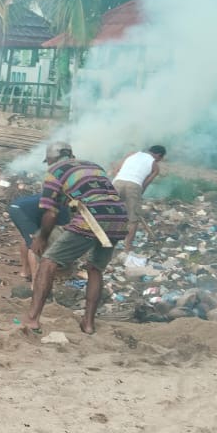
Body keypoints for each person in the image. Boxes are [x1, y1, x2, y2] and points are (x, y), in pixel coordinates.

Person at [23, 141, 128, 337]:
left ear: (52, 158)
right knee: (95, 268)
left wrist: (42, 238)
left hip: (93, 217)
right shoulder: (94, 166)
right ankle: (88, 324)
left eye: (48, 161)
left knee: (48, 261)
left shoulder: (55, 171)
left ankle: (32, 319)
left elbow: (51, 211)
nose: (48, 164)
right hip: (118, 217)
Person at [111, 145, 166, 251]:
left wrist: (120, 182)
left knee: (110, 213)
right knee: (133, 220)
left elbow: (116, 170)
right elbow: (144, 184)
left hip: (117, 183)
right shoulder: (155, 166)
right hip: (134, 186)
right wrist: (137, 197)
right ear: (159, 155)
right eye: (161, 159)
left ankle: (103, 240)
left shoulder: (132, 154)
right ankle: (127, 247)